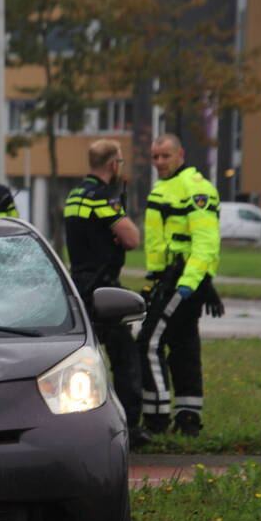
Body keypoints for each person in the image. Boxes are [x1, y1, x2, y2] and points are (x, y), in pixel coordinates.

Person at [64, 139, 150, 448]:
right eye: (121, 163)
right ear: (113, 164)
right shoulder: (103, 198)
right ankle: (131, 428)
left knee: (84, 358)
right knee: (125, 359)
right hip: (104, 287)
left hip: (78, 284)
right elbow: (131, 238)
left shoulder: (74, 195)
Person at [137, 133, 223, 437]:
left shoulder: (196, 188)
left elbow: (205, 243)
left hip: (183, 280)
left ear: (180, 154)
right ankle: (188, 419)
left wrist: (189, 284)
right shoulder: (164, 187)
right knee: (184, 348)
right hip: (170, 279)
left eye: (165, 156)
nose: (159, 162)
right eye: (155, 157)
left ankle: (157, 419)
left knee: (147, 343)